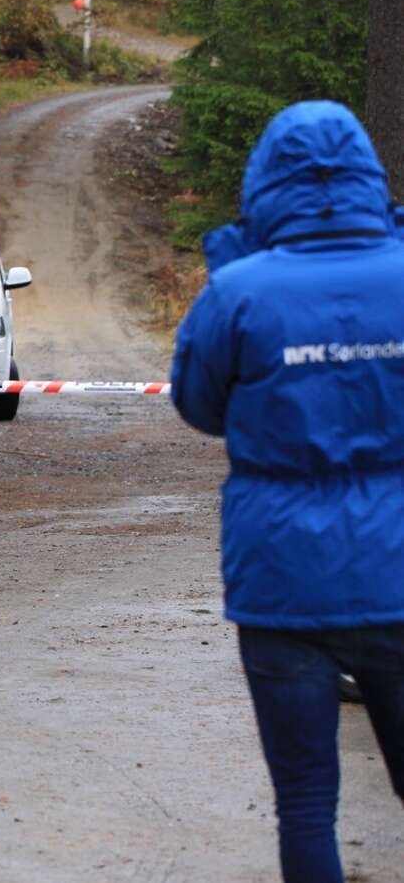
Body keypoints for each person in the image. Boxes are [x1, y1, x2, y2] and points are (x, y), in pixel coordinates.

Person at [171, 100, 404, 883]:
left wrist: (233, 279)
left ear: (266, 180)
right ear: (367, 174)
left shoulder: (239, 290)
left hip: (281, 579)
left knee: (305, 802)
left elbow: (198, 408)